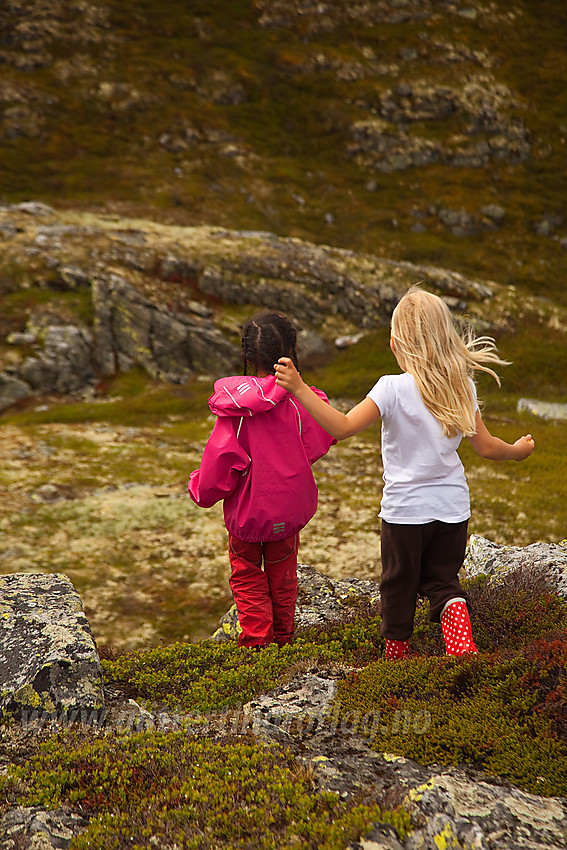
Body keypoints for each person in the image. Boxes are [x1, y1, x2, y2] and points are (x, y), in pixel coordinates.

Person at [274, 287, 534, 659]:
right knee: (443, 582)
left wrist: (299, 387)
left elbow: (343, 427)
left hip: (405, 513)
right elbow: (489, 448)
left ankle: (396, 655)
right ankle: (460, 639)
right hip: (452, 509)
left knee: (399, 585)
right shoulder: (462, 386)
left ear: (396, 344)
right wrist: (520, 451)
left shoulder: (391, 388)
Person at [188, 312, 335, 649]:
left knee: (247, 575)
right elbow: (321, 437)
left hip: (247, 516)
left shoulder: (236, 411)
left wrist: (199, 487)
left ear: (247, 356)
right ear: (291, 350)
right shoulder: (302, 401)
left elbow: (218, 469)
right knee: (283, 575)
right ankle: (284, 641)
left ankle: (257, 645)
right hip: (288, 513)